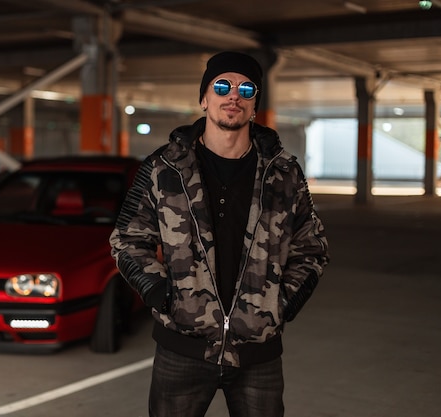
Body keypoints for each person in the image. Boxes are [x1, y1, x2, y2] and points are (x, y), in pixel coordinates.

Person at [109, 51, 329, 417]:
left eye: (246, 89)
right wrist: (163, 295)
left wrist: (281, 304)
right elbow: (128, 240)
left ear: (255, 103)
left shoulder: (284, 172)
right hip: (181, 350)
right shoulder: (164, 168)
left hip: (258, 355)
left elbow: (312, 248)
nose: (234, 96)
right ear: (204, 98)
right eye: (223, 86)